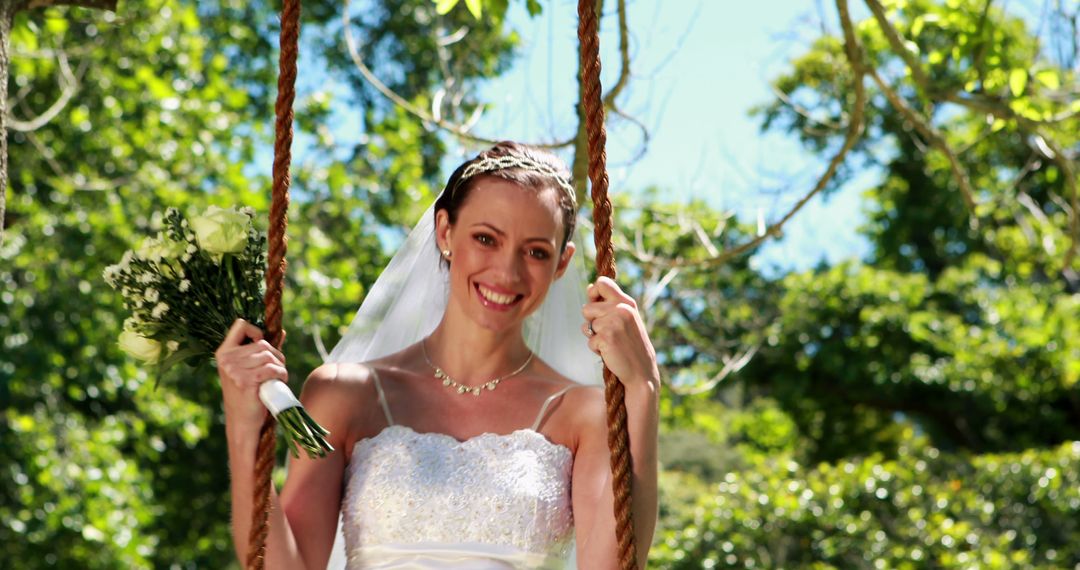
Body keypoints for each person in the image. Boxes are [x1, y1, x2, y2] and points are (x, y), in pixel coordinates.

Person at [215, 142, 660, 569]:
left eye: (535, 252)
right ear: (445, 232)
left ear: (561, 264)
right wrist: (243, 426)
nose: (507, 272)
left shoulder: (584, 415)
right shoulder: (344, 394)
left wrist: (643, 388)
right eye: (487, 239)